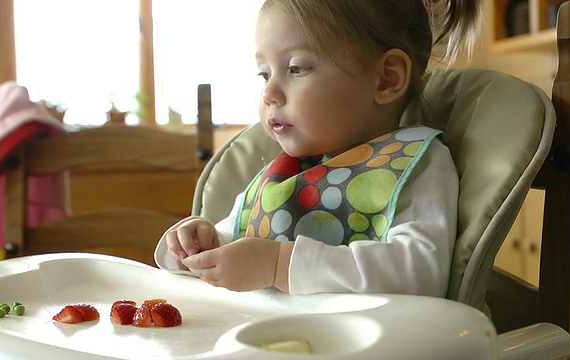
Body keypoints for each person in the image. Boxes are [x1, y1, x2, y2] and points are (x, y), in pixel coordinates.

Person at [155, 0, 482, 296]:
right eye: (264, 73)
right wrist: (193, 246)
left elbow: (420, 275)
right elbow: (232, 247)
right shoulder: (283, 174)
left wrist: (279, 265)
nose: (269, 92)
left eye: (296, 68)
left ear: (386, 78)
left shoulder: (414, 163)